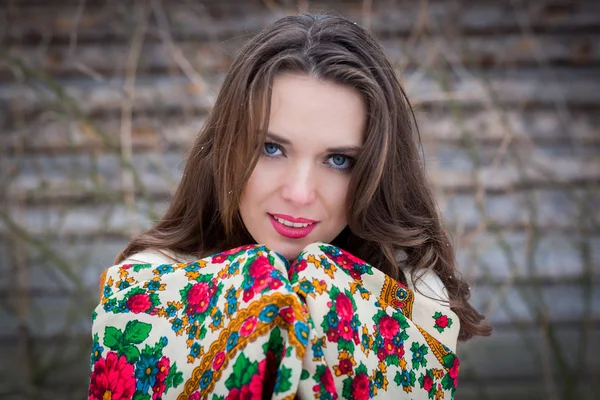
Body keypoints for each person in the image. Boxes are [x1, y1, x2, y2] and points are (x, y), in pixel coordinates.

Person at [88, 13, 490, 400]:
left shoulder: (414, 305)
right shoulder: (144, 294)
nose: (299, 193)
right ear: (225, 147)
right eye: (271, 148)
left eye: (339, 160)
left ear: (377, 172)